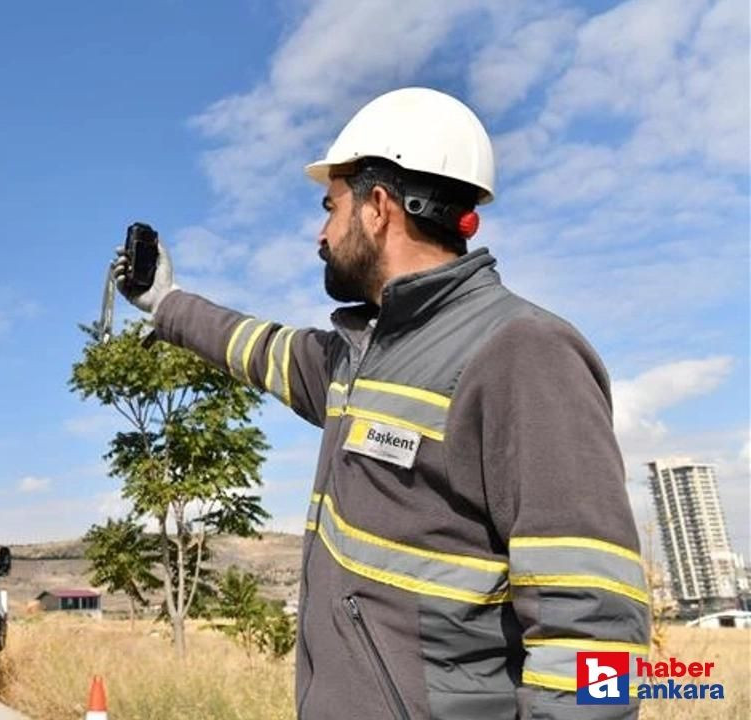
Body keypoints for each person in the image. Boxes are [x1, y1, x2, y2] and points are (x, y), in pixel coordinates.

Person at [114, 87, 649, 719]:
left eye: (330, 207)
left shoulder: (524, 353)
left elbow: (594, 628)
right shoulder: (359, 360)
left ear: (376, 208)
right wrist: (164, 302)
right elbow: (259, 348)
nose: (321, 233)